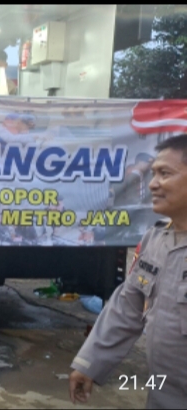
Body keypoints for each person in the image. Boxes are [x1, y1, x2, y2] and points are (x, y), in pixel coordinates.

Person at [68, 134, 187, 409]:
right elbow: (128, 305)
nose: (153, 183)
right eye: (154, 173)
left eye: (165, 173)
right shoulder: (156, 239)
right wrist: (90, 363)